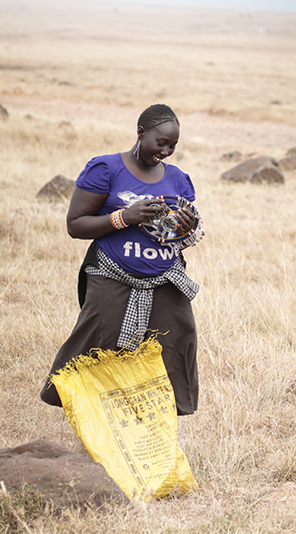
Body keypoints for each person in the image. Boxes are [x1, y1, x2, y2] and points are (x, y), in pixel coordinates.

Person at [40, 103, 202, 415]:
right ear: (141, 133)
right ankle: (89, 410)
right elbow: (76, 225)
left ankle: (157, 417)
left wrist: (186, 227)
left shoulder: (179, 179)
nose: (166, 151)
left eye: (173, 146)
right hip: (113, 274)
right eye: (161, 143)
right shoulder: (107, 169)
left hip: (164, 278)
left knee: (177, 341)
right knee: (98, 343)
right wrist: (124, 217)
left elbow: (185, 232)